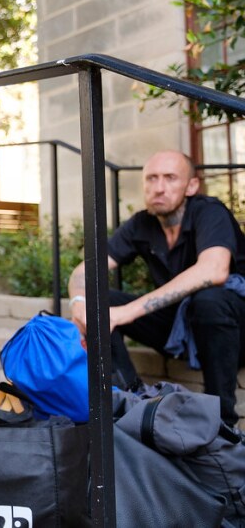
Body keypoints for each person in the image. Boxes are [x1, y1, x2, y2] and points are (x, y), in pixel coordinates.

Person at [68, 150, 245, 427]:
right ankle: (127, 402)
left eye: (170, 178)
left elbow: (215, 269)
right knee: (99, 303)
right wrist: (79, 303)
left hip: (232, 331)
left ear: (191, 186)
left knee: (210, 300)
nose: (159, 187)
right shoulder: (142, 223)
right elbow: (85, 270)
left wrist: (127, 312)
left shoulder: (209, 212)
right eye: (151, 178)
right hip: (181, 328)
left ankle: (222, 421)